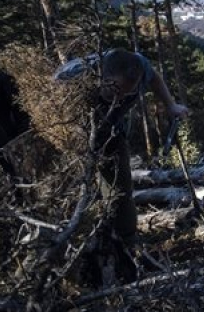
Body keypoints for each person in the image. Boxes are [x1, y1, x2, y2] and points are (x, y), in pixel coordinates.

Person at [54, 48, 188, 274]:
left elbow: (154, 77)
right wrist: (72, 137)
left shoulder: (139, 67)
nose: (120, 99)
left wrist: (171, 105)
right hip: (70, 138)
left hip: (112, 132)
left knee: (121, 190)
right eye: (114, 91)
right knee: (74, 195)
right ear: (101, 78)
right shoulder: (73, 77)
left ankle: (126, 246)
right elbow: (48, 107)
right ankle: (71, 253)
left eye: (128, 94)